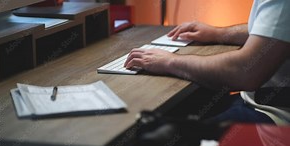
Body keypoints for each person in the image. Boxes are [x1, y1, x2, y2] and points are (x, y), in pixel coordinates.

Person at [124, 0, 290, 125]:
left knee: (161, 139)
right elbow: (271, 30)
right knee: (187, 106)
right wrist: (218, 33)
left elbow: (245, 72)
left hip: (274, 114)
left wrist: (170, 62)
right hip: (259, 100)